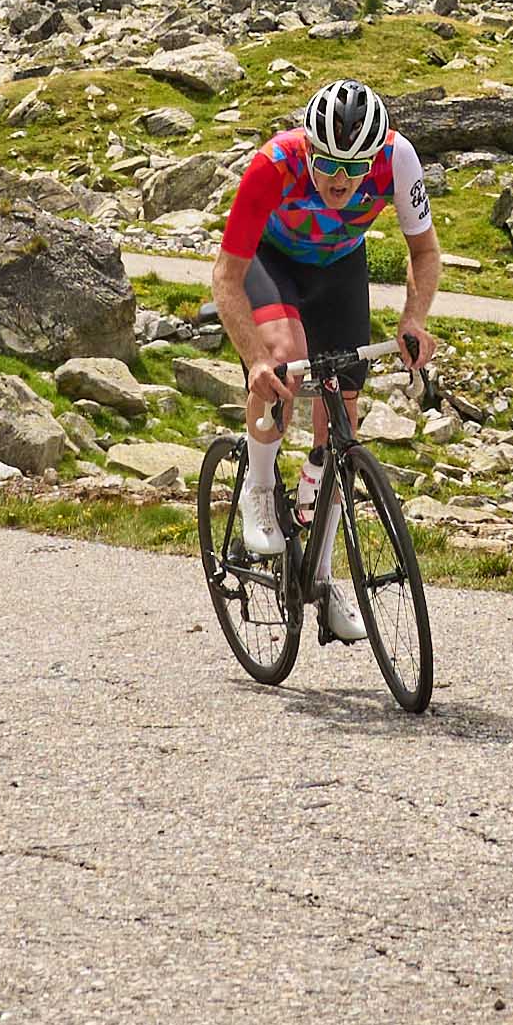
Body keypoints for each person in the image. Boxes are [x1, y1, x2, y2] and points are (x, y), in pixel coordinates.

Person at [214, 77, 437, 638]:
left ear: (375, 157)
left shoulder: (399, 159)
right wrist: (254, 359)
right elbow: (226, 276)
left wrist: (413, 319)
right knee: (286, 360)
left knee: (342, 420)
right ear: (309, 148)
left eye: (354, 168)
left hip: (340, 267)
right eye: (329, 165)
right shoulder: (273, 166)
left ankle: (321, 574)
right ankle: (259, 489)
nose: (340, 180)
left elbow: (424, 250)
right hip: (271, 263)